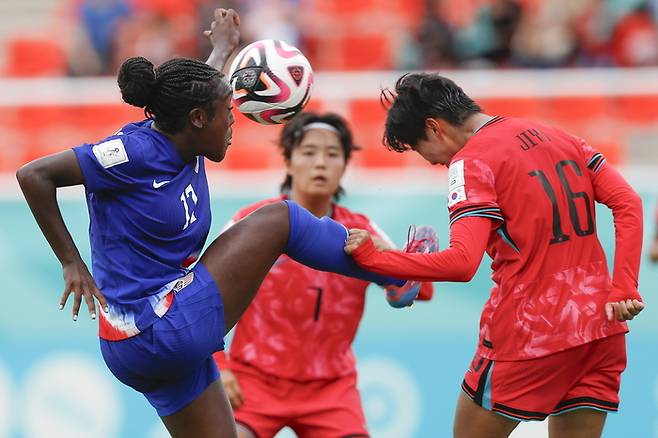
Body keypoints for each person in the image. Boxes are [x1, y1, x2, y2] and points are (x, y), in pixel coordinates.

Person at [14, 10, 421, 438]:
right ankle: (395, 272)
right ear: (198, 120)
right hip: (158, 327)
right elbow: (33, 175)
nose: (234, 121)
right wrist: (71, 262)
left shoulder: (182, 129)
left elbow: (197, 96)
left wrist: (223, 49)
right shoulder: (131, 152)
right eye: (227, 111)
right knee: (279, 218)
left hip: (141, 341)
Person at [343, 73, 644, 438]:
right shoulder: (557, 135)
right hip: (600, 328)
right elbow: (627, 201)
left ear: (434, 128)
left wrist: (377, 259)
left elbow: (461, 262)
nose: (438, 165)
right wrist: (623, 285)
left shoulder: (471, 162)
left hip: (529, 336)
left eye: (429, 156)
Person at [213, 112, 436, 438]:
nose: (321, 163)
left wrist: (383, 259)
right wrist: (219, 366)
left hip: (331, 388)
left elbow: (422, 291)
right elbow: (207, 297)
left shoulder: (361, 230)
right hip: (253, 381)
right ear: (288, 162)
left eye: (333, 154)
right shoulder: (253, 222)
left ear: (344, 166)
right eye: (308, 152)